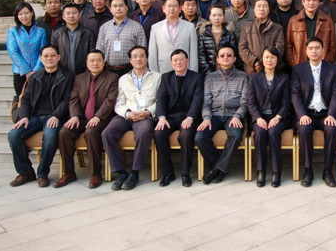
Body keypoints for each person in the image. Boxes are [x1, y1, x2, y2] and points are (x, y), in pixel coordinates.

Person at [7, 44, 74, 187]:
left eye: (52, 55)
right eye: (46, 56)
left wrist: (56, 116)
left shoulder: (67, 77)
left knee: (50, 136)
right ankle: (25, 172)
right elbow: (26, 98)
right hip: (35, 117)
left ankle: (42, 173)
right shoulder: (34, 77)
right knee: (13, 135)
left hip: (55, 117)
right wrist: (24, 116)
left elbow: (67, 100)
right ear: (41, 58)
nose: (49, 58)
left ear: (58, 57)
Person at [53, 49, 119, 189]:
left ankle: (95, 173)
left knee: (91, 132)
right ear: (87, 63)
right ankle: (68, 173)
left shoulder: (112, 77)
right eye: (92, 61)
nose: (95, 63)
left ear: (104, 62)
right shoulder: (79, 78)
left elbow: (110, 100)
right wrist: (75, 116)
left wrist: (98, 117)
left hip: (102, 118)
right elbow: (74, 99)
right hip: (82, 117)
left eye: (98, 60)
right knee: (64, 132)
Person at [102, 46, 162, 190]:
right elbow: (119, 103)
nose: (138, 59)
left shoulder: (157, 77)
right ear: (130, 60)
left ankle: (135, 172)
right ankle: (121, 172)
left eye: (141, 56)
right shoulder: (123, 79)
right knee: (107, 133)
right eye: (135, 56)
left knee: (143, 132)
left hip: (145, 116)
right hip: (126, 115)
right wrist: (127, 113)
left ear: (146, 58)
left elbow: (159, 101)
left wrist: (148, 112)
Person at [291, 37, 336, 187]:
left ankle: (328, 170)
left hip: (326, 114)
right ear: (306, 51)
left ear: (322, 50)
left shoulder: (332, 69)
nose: (314, 51)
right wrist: (302, 115)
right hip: (307, 113)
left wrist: (331, 114)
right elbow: (295, 94)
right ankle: (308, 170)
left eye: (317, 48)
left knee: (332, 129)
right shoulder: (298, 70)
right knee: (304, 129)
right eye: (311, 48)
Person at [195, 45, 249, 184]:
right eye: (222, 56)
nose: (226, 58)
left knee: (236, 135)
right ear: (217, 59)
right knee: (200, 137)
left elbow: (245, 102)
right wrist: (206, 118)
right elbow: (206, 102)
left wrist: (237, 116)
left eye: (229, 55)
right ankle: (219, 168)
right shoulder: (210, 78)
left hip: (233, 115)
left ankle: (215, 170)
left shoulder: (243, 77)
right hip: (214, 114)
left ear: (235, 58)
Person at [154, 49, 204, 187]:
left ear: (187, 60)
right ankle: (167, 173)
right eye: (175, 60)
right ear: (171, 62)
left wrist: (190, 117)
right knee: (159, 134)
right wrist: (162, 117)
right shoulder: (166, 77)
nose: (178, 62)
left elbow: (198, 99)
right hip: (170, 117)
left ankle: (185, 174)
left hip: (188, 116)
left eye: (181, 59)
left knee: (186, 135)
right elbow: (161, 99)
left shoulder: (197, 77)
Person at [247, 46, 291, 188]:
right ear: (262, 59)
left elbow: (286, 103)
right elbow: (251, 102)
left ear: (277, 60)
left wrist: (278, 117)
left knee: (273, 132)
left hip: (277, 117)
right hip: (260, 117)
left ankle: (276, 172)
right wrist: (258, 118)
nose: (269, 60)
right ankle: (261, 171)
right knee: (260, 133)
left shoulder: (284, 78)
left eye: (273, 57)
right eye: (266, 57)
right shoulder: (254, 78)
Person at [96, 0, 147, 76]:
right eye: (115, 6)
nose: (118, 8)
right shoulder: (104, 27)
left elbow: (142, 49)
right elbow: (99, 49)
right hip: (108, 70)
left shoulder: (137, 27)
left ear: (126, 7)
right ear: (110, 9)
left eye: (121, 5)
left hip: (130, 69)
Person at [286, 0, 336, 67]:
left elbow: (332, 46)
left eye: (314, 0)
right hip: (300, 64)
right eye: (308, 0)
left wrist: (327, 61)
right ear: (303, 1)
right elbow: (288, 45)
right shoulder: (294, 20)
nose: (311, 3)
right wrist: (294, 63)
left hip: (322, 65)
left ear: (319, 2)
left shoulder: (327, 20)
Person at [148, 0, 198, 74]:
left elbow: (193, 53)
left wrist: (193, 74)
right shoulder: (156, 28)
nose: (172, 8)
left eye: (175, 6)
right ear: (163, 9)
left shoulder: (190, 27)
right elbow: (152, 54)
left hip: (184, 70)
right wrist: (154, 74)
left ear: (180, 9)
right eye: (169, 6)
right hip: (163, 69)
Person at [7, 2, 47, 95]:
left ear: (32, 13)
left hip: (37, 72)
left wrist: (36, 70)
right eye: (20, 14)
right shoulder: (13, 31)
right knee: (22, 100)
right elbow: (13, 52)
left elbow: (43, 51)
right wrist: (27, 71)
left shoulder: (41, 31)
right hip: (20, 72)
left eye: (26, 13)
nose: (24, 16)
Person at [239, 0, 285, 74]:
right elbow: (242, 49)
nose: (261, 9)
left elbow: (279, 48)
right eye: (259, 6)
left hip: (271, 69)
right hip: (252, 70)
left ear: (268, 10)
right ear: (254, 9)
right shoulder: (246, 28)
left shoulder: (278, 28)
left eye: (264, 6)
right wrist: (255, 62)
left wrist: (266, 62)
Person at [51, 3, 95, 75]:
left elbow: (92, 53)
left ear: (79, 15)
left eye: (74, 13)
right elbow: (54, 54)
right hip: (62, 74)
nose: (71, 16)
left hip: (83, 73)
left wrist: (87, 71)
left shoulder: (88, 33)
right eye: (68, 13)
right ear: (63, 17)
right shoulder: (57, 34)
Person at [198, 3, 239, 75]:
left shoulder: (229, 34)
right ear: (209, 16)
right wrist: (210, 74)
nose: (217, 18)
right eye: (214, 15)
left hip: (228, 73)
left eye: (220, 15)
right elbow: (202, 57)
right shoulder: (204, 34)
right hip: (209, 74)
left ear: (224, 16)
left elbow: (234, 53)